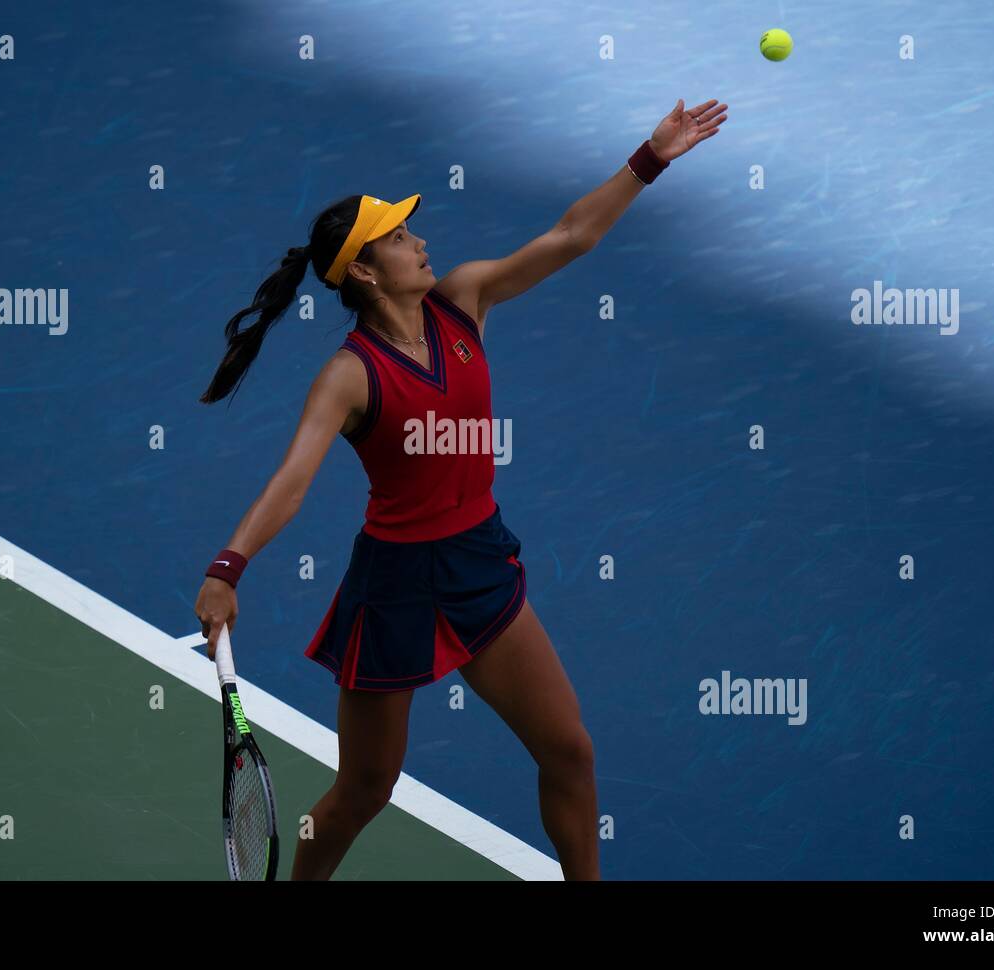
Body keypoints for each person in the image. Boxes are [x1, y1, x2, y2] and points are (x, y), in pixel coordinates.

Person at [194, 98, 728, 880]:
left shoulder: (464, 301)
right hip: (397, 585)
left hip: (477, 562)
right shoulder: (349, 376)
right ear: (368, 272)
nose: (422, 240)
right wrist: (227, 567)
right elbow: (292, 479)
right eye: (401, 237)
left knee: (570, 751)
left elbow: (571, 234)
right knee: (364, 790)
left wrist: (651, 156)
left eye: (412, 229)